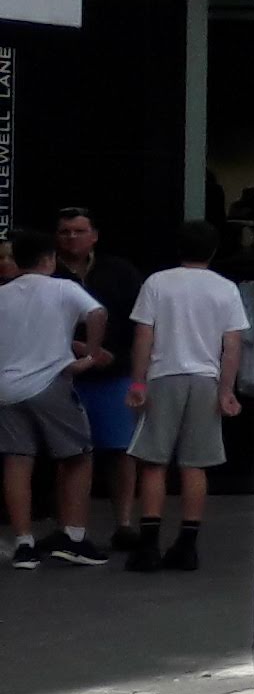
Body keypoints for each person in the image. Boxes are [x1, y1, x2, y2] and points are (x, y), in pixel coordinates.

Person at [117, 221, 252, 573]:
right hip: (205, 378)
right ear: (214, 250)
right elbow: (232, 344)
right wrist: (226, 389)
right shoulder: (225, 288)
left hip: (164, 375)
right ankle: (187, 544)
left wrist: (137, 383)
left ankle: (149, 544)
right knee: (195, 464)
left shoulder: (157, 283)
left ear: (178, 248)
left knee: (153, 462)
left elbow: (144, 335)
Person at [0, 229, 110, 568]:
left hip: (7, 388)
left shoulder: (3, 294)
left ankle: (24, 543)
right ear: (49, 259)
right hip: (51, 382)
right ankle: (73, 536)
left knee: (18, 460)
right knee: (78, 455)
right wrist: (90, 354)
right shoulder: (63, 288)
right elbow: (98, 313)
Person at [52, 207, 140, 545]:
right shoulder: (49, 274)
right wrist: (80, 348)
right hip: (64, 375)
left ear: (94, 236)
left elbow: (138, 321)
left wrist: (117, 357)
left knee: (121, 450)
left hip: (114, 372)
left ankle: (125, 524)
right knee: (68, 453)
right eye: (65, 232)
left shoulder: (119, 271)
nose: (71, 238)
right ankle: (69, 529)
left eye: (78, 231)